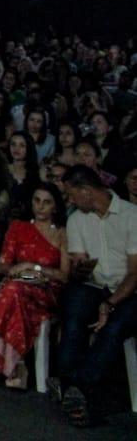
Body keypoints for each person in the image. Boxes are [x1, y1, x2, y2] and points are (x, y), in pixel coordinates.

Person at [0, 181, 69, 389]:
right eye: (37, 200)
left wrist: (34, 267)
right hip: (18, 286)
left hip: (47, 290)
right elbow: (1, 267)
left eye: (47, 202)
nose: (41, 206)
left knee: (12, 290)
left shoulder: (62, 233)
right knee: (14, 291)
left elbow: (64, 275)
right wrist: (17, 270)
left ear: (55, 206)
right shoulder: (18, 228)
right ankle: (18, 367)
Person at [56, 164, 137, 427]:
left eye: (71, 194)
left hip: (129, 289)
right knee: (74, 309)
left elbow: (136, 273)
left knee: (114, 327)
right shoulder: (77, 218)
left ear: (87, 191)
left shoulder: (131, 216)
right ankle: (70, 383)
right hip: (95, 286)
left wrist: (110, 303)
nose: (69, 200)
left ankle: (76, 386)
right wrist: (79, 269)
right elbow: (79, 269)